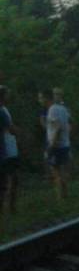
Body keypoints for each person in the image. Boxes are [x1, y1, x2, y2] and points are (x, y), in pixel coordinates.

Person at [41, 88, 71, 200]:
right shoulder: (64, 108)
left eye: (41, 98)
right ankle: (65, 195)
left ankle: (60, 198)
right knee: (62, 171)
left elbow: (57, 127)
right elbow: (69, 124)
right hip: (65, 144)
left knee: (56, 172)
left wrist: (51, 146)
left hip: (56, 145)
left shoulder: (52, 109)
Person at [0, 86, 19, 218]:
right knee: (6, 182)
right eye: (7, 94)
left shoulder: (4, 109)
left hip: (9, 150)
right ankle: (7, 210)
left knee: (9, 181)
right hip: (6, 151)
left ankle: (10, 208)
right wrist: (22, 134)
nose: (9, 97)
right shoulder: (2, 111)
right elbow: (11, 129)